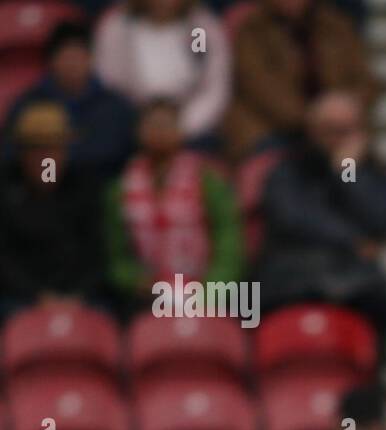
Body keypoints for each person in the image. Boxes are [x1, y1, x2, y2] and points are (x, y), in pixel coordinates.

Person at [256, 90, 386, 355]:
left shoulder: (372, 173)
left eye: (345, 131)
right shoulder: (287, 169)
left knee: (381, 309)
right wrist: (352, 240)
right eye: (329, 129)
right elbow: (293, 217)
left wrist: (346, 171)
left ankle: (365, 388)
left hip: (354, 281)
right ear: (311, 129)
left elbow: (381, 218)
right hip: (291, 277)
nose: (336, 139)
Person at [103, 99, 242, 314]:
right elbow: (116, 256)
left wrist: (209, 291)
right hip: (147, 296)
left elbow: (229, 244)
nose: (159, 132)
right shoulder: (119, 189)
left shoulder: (208, 182)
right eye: (152, 125)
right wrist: (135, 281)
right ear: (138, 132)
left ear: (181, 132)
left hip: (205, 291)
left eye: (166, 125)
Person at [222, 0, 377, 159]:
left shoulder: (335, 25)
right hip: (274, 133)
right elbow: (257, 86)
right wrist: (315, 116)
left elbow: (364, 80)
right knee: (292, 175)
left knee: (354, 171)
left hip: (337, 129)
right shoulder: (251, 28)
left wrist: (347, 106)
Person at [0, 102, 105, 316]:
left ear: (65, 150)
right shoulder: (6, 189)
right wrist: (38, 296)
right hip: (19, 298)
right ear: (22, 152)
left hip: (80, 297)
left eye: (52, 148)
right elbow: (4, 258)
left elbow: (97, 253)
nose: (45, 158)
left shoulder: (85, 187)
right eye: (36, 148)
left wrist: (77, 295)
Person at [1, 21, 136, 178]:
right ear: (52, 61)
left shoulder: (115, 108)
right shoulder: (29, 105)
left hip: (99, 191)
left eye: (78, 56)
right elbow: (10, 156)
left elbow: (127, 161)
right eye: (66, 56)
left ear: (91, 59)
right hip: (44, 192)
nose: (72, 64)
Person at [93, 0, 231, 145]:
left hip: (192, 131)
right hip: (130, 128)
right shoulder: (119, 26)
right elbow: (109, 83)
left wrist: (182, 126)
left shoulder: (199, 30)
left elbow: (212, 85)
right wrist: (143, 124)